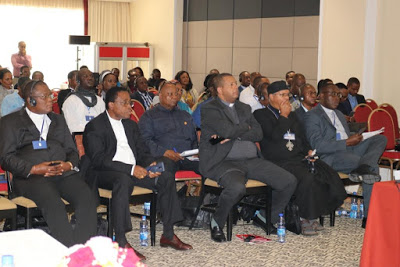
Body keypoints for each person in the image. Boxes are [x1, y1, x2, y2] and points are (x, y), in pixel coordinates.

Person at [83, 87, 193, 260]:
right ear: (111, 105)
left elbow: (142, 152)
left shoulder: (131, 125)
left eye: (130, 103)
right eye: (125, 103)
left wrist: (151, 164)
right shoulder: (95, 126)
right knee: (123, 179)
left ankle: (168, 234)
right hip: (106, 173)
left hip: (134, 171)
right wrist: (131, 169)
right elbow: (98, 160)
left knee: (165, 174)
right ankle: (120, 240)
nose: (130, 107)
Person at [199, 73, 297, 242]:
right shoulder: (210, 108)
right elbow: (227, 131)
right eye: (231, 84)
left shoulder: (244, 108)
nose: (235, 87)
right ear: (220, 89)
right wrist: (245, 127)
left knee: (288, 181)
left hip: (252, 160)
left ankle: (265, 217)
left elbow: (258, 133)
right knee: (237, 188)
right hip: (224, 162)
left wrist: (235, 133)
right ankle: (217, 220)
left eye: (235, 84)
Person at [0, 80, 97, 246]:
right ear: (30, 100)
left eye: (50, 95)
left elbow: (72, 151)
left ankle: (80, 249)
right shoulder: (10, 122)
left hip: (62, 173)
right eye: (45, 97)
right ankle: (67, 250)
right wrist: (33, 168)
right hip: (30, 178)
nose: (51, 99)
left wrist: (68, 165)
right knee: (54, 203)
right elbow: (6, 158)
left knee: (87, 196)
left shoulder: (58, 120)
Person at [254, 81, 347, 236]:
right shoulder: (261, 115)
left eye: (287, 95)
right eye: (281, 95)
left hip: (297, 158)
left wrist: (308, 151)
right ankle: (304, 219)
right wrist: (283, 116)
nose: (286, 99)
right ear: (270, 97)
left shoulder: (293, 116)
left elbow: (302, 139)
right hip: (277, 161)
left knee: (326, 173)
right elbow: (275, 137)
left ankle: (315, 214)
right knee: (307, 178)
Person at [304, 83, 387, 228]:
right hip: (331, 155)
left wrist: (358, 137)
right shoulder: (312, 116)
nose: (337, 98)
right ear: (321, 96)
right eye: (333, 94)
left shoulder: (338, 114)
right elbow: (318, 145)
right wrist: (346, 143)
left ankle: (364, 166)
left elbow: (344, 133)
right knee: (372, 168)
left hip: (349, 148)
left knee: (380, 138)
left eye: (339, 95)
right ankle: (369, 217)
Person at [139, 81, 199, 175]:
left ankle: (199, 190)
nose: (174, 97)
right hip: (164, 157)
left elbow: (194, 138)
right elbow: (144, 141)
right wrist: (164, 152)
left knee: (207, 165)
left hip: (188, 158)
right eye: (170, 94)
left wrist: (195, 151)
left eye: (176, 94)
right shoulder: (149, 116)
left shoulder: (185, 115)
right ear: (160, 96)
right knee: (165, 168)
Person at [62, 69, 105, 133]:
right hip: (78, 138)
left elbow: (104, 123)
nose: (90, 78)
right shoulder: (71, 101)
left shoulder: (99, 100)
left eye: (91, 76)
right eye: (85, 76)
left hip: (98, 137)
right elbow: (71, 126)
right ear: (78, 81)